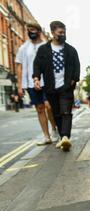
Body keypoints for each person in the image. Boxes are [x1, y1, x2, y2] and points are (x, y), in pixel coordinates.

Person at [33, 21, 80, 152]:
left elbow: (77, 65)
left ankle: (65, 136)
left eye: (64, 32)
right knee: (56, 114)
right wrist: (36, 78)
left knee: (66, 111)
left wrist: (74, 79)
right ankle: (62, 137)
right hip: (50, 87)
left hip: (66, 86)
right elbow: (37, 65)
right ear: (53, 33)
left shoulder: (70, 50)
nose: (63, 35)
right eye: (60, 33)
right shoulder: (43, 50)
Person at [15, 22, 58, 145]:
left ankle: (54, 130)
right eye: (28, 30)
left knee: (49, 106)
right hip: (30, 83)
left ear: (39, 31)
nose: (30, 32)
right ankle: (46, 136)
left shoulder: (47, 46)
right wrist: (20, 85)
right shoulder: (24, 48)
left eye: (32, 29)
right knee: (40, 109)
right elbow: (19, 66)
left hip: (47, 81)